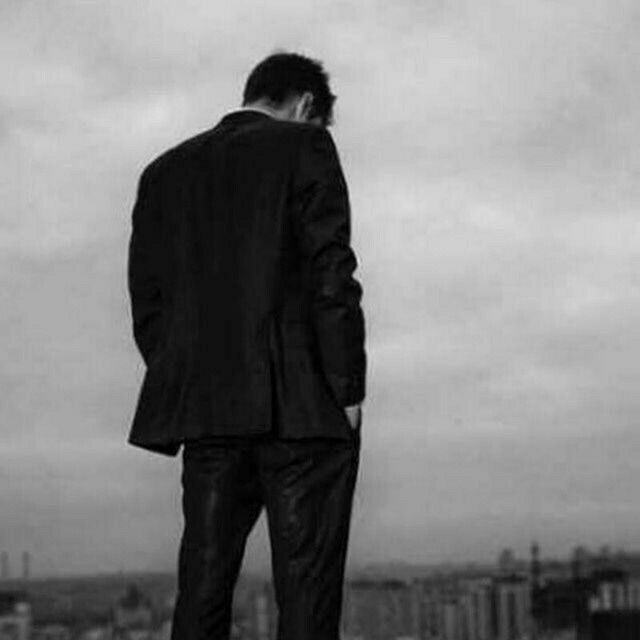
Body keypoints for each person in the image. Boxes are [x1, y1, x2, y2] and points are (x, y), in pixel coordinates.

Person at [126, 51, 367, 640]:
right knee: (306, 594)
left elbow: (148, 301)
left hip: (207, 414)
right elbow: (330, 275)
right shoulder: (303, 148)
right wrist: (348, 387)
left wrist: (188, 379)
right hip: (303, 413)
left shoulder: (163, 174)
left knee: (202, 587)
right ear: (306, 105)